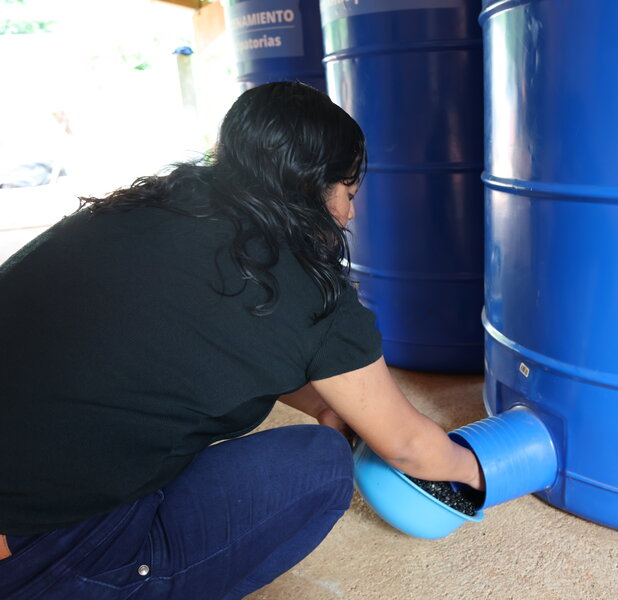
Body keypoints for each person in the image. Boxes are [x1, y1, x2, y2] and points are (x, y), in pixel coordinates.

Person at [0, 81, 484, 600]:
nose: (350, 215)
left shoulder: (142, 210)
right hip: (42, 558)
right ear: (315, 185)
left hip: (24, 496)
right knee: (318, 465)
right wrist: (479, 471)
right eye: (348, 194)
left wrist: (331, 399)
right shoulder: (302, 285)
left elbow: (221, 343)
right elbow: (411, 448)